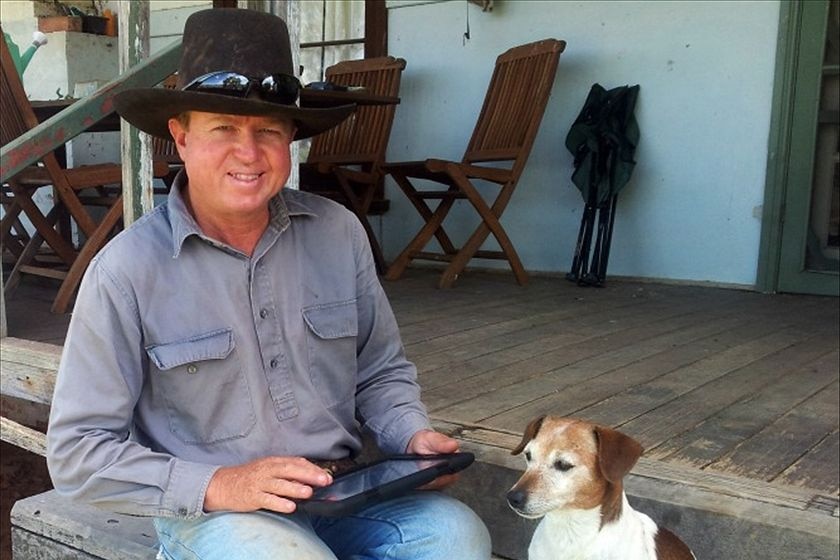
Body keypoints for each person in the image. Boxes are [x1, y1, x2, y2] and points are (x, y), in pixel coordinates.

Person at [46, 8, 491, 560]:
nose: (249, 153)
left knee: (457, 536)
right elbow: (77, 454)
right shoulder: (126, 271)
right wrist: (221, 485)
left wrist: (410, 436)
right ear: (180, 138)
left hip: (345, 490)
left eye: (269, 132)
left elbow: (381, 371)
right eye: (223, 128)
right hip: (216, 513)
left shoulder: (337, 233)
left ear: (291, 142)